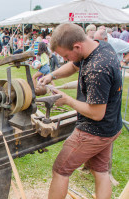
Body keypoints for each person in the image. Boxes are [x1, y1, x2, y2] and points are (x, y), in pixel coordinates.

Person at [39, 23, 122, 199]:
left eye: (66, 55)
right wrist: (51, 76)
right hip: (111, 127)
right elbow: (75, 66)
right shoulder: (99, 46)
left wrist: (67, 100)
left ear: (77, 46)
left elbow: (96, 113)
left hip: (94, 131)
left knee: (61, 170)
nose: (67, 59)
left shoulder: (97, 69)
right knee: (100, 171)